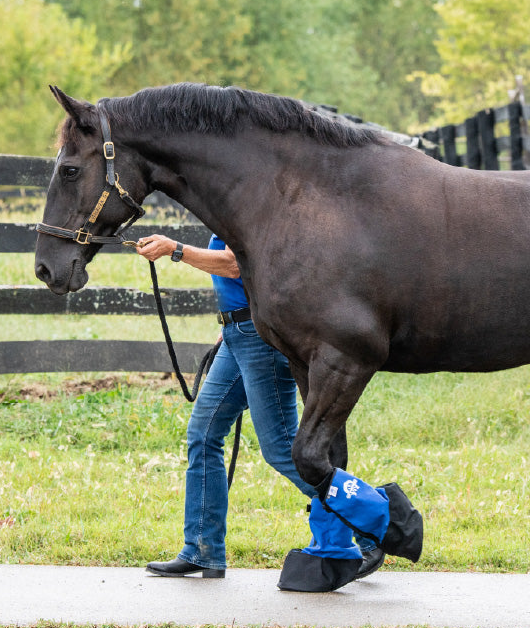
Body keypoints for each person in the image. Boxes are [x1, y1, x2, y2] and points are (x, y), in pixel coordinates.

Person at [133, 232, 384, 580]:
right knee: (203, 435)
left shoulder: (246, 208)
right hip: (237, 333)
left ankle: (371, 524)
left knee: (281, 448)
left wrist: (174, 249)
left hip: (259, 339)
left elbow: (233, 265)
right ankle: (202, 550)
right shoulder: (225, 215)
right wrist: (229, 322)